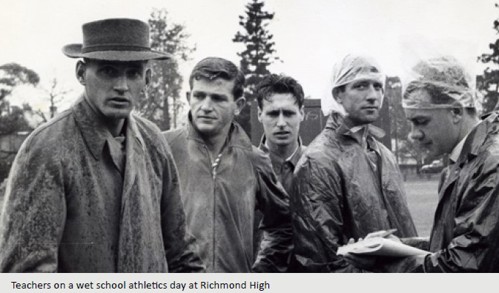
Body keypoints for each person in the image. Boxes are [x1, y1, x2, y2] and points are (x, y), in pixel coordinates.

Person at [0, 18, 204, 273]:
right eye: (108, 71)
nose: (121, 86)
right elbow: (27, 277)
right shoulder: (46, 149)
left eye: (133, 73)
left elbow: (181, 254)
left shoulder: (153, 142)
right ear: (81, 73)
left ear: (147, 78)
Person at [163, 57, 292, 273]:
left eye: (218, 98)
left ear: (238, 105)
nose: (206, 106)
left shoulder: (255, 159)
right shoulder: (162, 148)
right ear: (188, 97)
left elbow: (284, 224)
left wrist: (262, 271)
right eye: (199, 96)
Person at [291, 54, 417, 272]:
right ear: (338, 94)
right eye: (361, 86)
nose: (372, 95)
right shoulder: (319, 161)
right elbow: (321, 261)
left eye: (378, 86)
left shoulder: (384, 154)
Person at [381, 56, 499, 272]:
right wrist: (395, 247)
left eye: (421, 121)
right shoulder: (465, 161)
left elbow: (466, 267)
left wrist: (387, 264)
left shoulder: (491, 165)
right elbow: (454, 243)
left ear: (455, 111)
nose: (413, 135)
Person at [255, 73, 306, 196]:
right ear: (259, 115)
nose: (281, 123)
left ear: (302, 113)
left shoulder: (318, 165)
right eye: (273, 114)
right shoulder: (244, 167)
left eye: (288, 113)